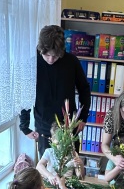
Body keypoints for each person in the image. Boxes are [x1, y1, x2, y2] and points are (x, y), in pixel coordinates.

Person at [19, 25, 91, 157]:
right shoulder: (32, 64)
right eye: (47, 55)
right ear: (40, 49)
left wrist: (83, 117)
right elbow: (24, 95)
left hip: (69, 126)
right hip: (44, 127)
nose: (51, 59)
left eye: (56, 55)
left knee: (72, 165)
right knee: (47, 167)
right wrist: (24, 126)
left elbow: (84, 89)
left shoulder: (71, 61)